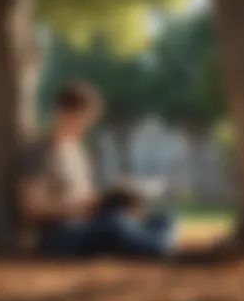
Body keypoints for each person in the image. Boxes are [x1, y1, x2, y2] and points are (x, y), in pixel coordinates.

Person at [19, 81, 175, 258]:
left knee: (162, 218)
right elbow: (32, 208)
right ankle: (158, 249)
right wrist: (80, 207)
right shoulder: (38, 152)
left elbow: (87, 196)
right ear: (61, 112)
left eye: (88, 120)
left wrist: (113, 200)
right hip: (60, 234)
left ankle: (153, 245)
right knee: (115, 224)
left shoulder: (78, 150)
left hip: (89, 222)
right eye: (81, 119)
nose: (85, 126)